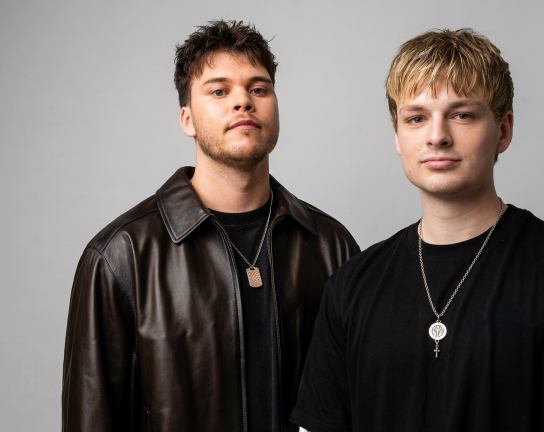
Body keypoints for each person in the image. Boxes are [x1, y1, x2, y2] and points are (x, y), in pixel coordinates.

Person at [290, 29, 544, 432]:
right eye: (416, 118)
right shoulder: (351, 287)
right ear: (397, 136)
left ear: (504, 130)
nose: (437, 136)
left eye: (462, 114)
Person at [62, 20, 358, 432]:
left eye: (259, 89)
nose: (243, 101)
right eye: (219, 91)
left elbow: (356, 402)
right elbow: (92, 418)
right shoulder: (120, 256)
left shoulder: (330, 245)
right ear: (187, 119)